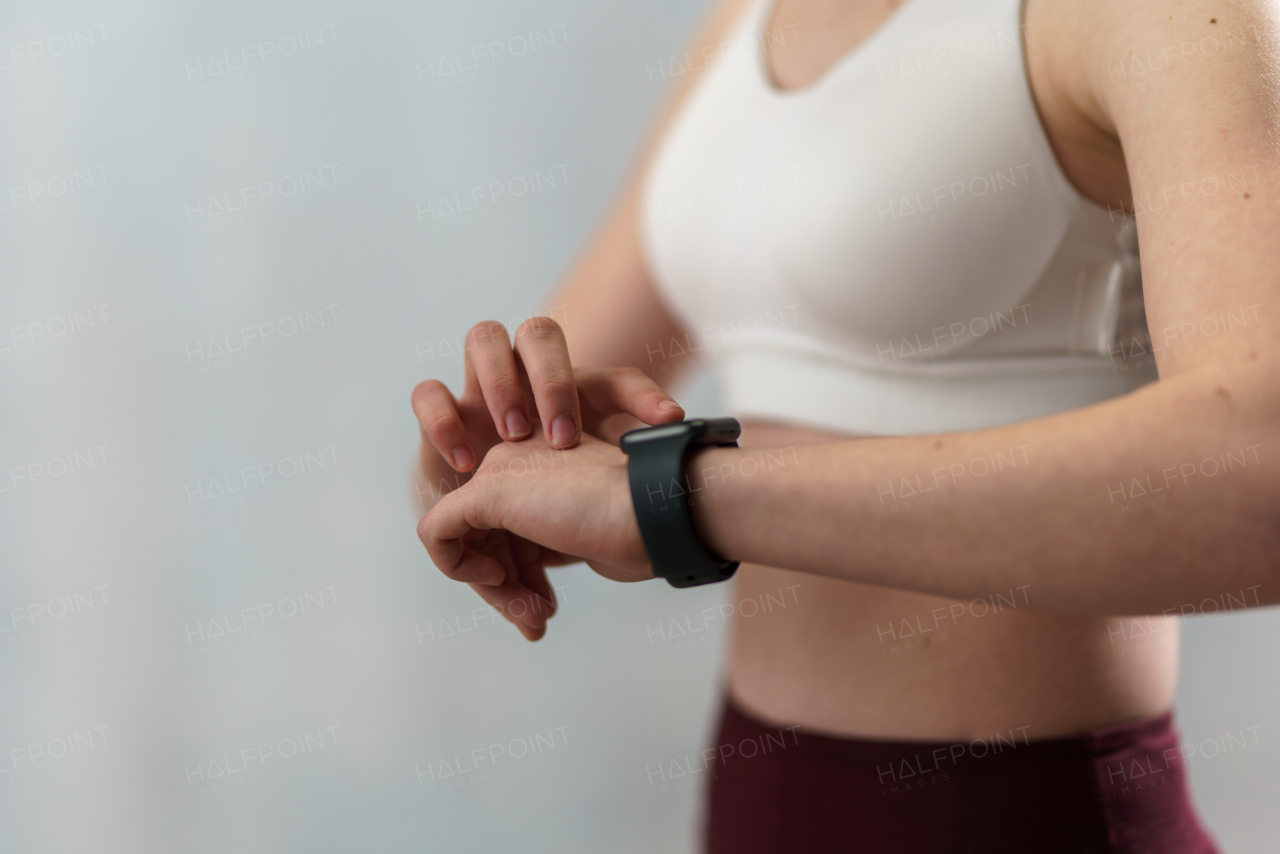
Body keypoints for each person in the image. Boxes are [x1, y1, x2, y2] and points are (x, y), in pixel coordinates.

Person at [410, 0, 1279, 849]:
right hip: (754, 807)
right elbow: (530, 424)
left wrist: (679, 498)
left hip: (1021, 814)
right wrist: (483, 455)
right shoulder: (743, 23)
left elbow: (1259, 470)